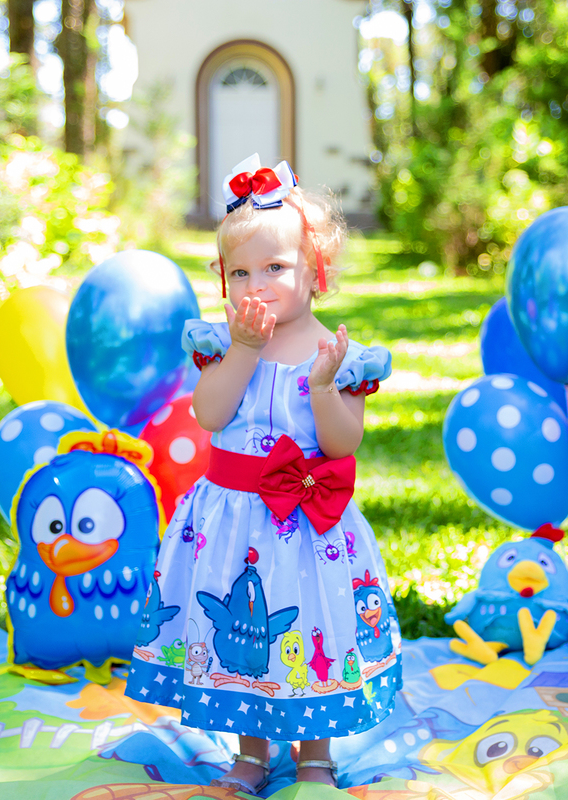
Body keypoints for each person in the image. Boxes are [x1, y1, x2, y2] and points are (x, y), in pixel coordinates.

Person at [126, 155, 402, 793]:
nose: (258, 285)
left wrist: (327, 388)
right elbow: (210, 413)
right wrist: (245, 350)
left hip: (308, 524)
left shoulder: (339, 356)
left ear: (316, 269)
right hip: (232, 521)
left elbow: (341, 443)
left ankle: (315, 752)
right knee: (240, 640)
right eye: (241, 271)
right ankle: (250, 751)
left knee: (310, 630)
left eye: (276, 268)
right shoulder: (224, 344)